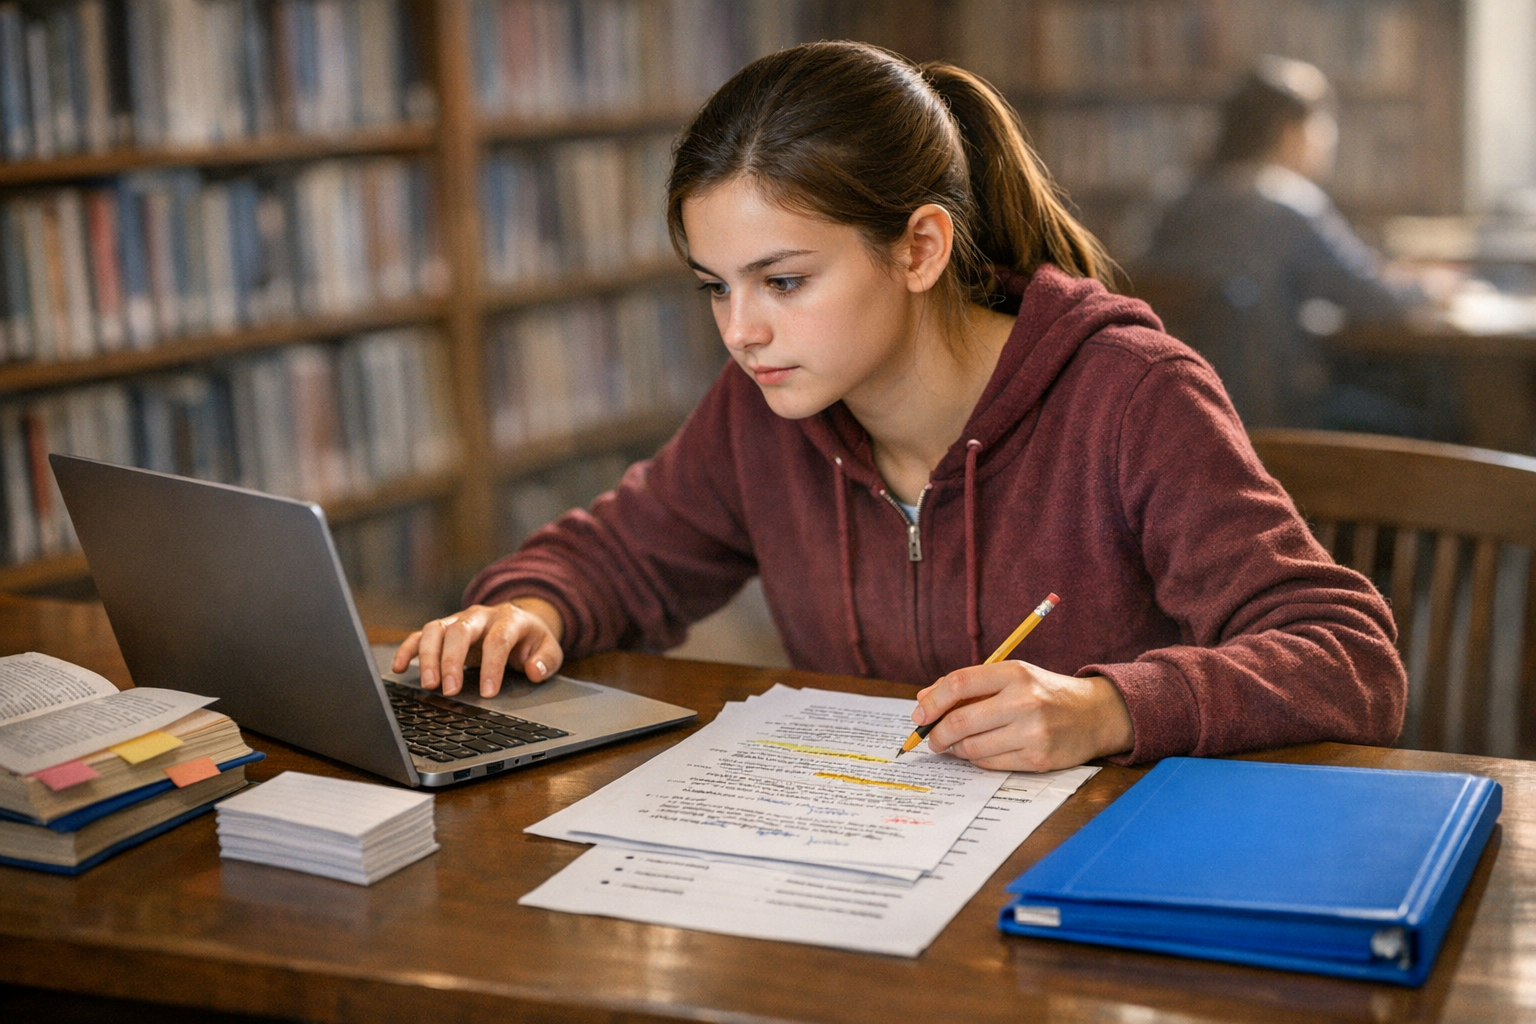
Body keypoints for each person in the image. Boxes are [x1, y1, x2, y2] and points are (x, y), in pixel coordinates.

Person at [394, 42, 1407, 770]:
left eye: (782, 281)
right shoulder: (766, 409)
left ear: (920, 247)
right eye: (715, 286)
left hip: (1096, 897)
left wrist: (1108, 708)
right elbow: (618, 555)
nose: (740, 332)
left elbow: (1349, 657)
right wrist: (527, 604)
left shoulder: (1129, 393)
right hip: (875, 884)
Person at [1144, 55, 1448, 434]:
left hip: (1184, 418)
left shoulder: (1174, 202)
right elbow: (1377, 300)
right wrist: (1429, 288)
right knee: (1439, 424)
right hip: (1281, 417)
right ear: (1291, 130)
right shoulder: (1287, 203)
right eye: (1321, 123)